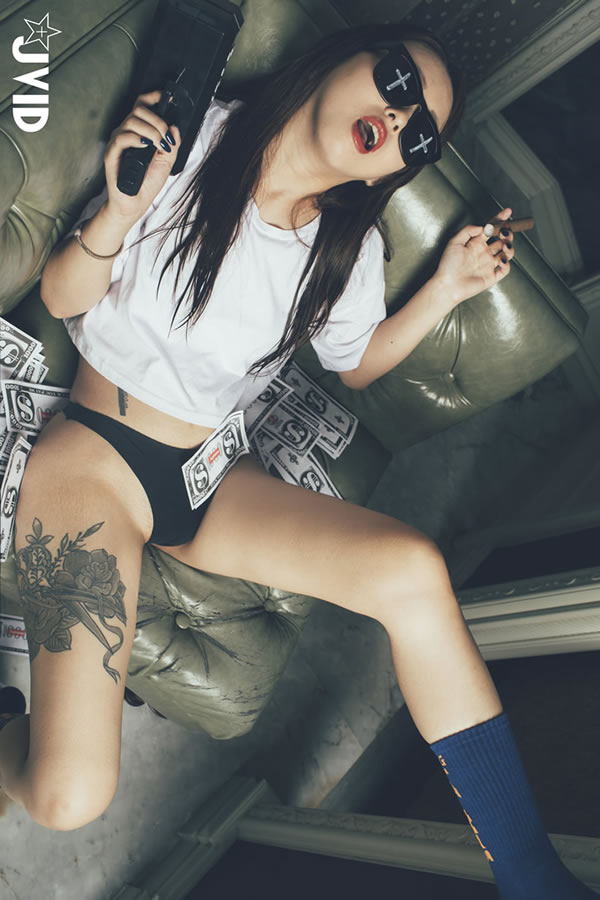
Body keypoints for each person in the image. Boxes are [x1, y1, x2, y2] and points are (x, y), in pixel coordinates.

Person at [0, 22, 595, 898]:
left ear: (392, 171)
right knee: (68, 798)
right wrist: (120, 213)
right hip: (91, 464)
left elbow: (357, 364)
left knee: (411, 571)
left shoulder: (345, 253)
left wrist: (450, 286)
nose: (399, 121)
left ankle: (533, 877)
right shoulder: (192, 137)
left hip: (207, 480)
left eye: (418, 138)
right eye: (399, 82)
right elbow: (61, 297)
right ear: (347, 56)